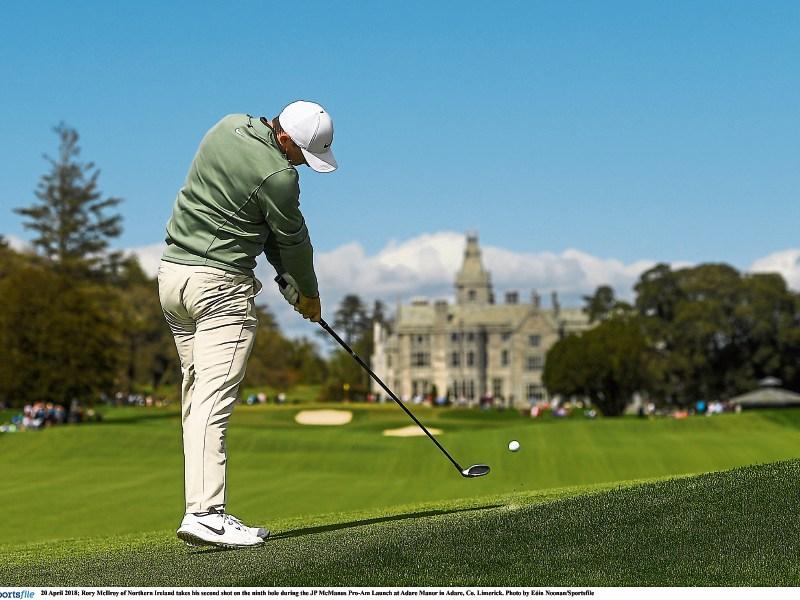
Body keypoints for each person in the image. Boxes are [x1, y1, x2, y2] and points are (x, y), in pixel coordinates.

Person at [157, 100, 337, 548]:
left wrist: (288, 286)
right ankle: (206, 514)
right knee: (213, 401)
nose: (301, 164)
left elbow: (263, 229)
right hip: (218, 288)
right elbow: (291, 240)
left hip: (172, 280)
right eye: (301, 154)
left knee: (197, 397)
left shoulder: (226, 125)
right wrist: (308, 294)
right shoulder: (280, 177)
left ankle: (198, 509)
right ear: (284, 139)